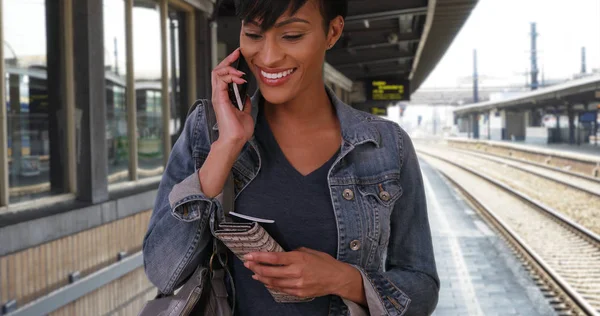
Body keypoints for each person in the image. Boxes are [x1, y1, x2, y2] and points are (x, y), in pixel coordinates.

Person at [142, 0, 439, 315]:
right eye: (254, 35)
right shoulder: (206, 130)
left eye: (292, 36)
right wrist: (226, 146)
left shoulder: (386, 146)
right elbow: (162, 272)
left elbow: (422, 288)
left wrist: (344, 280)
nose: (268, 57)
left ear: (332, 31)